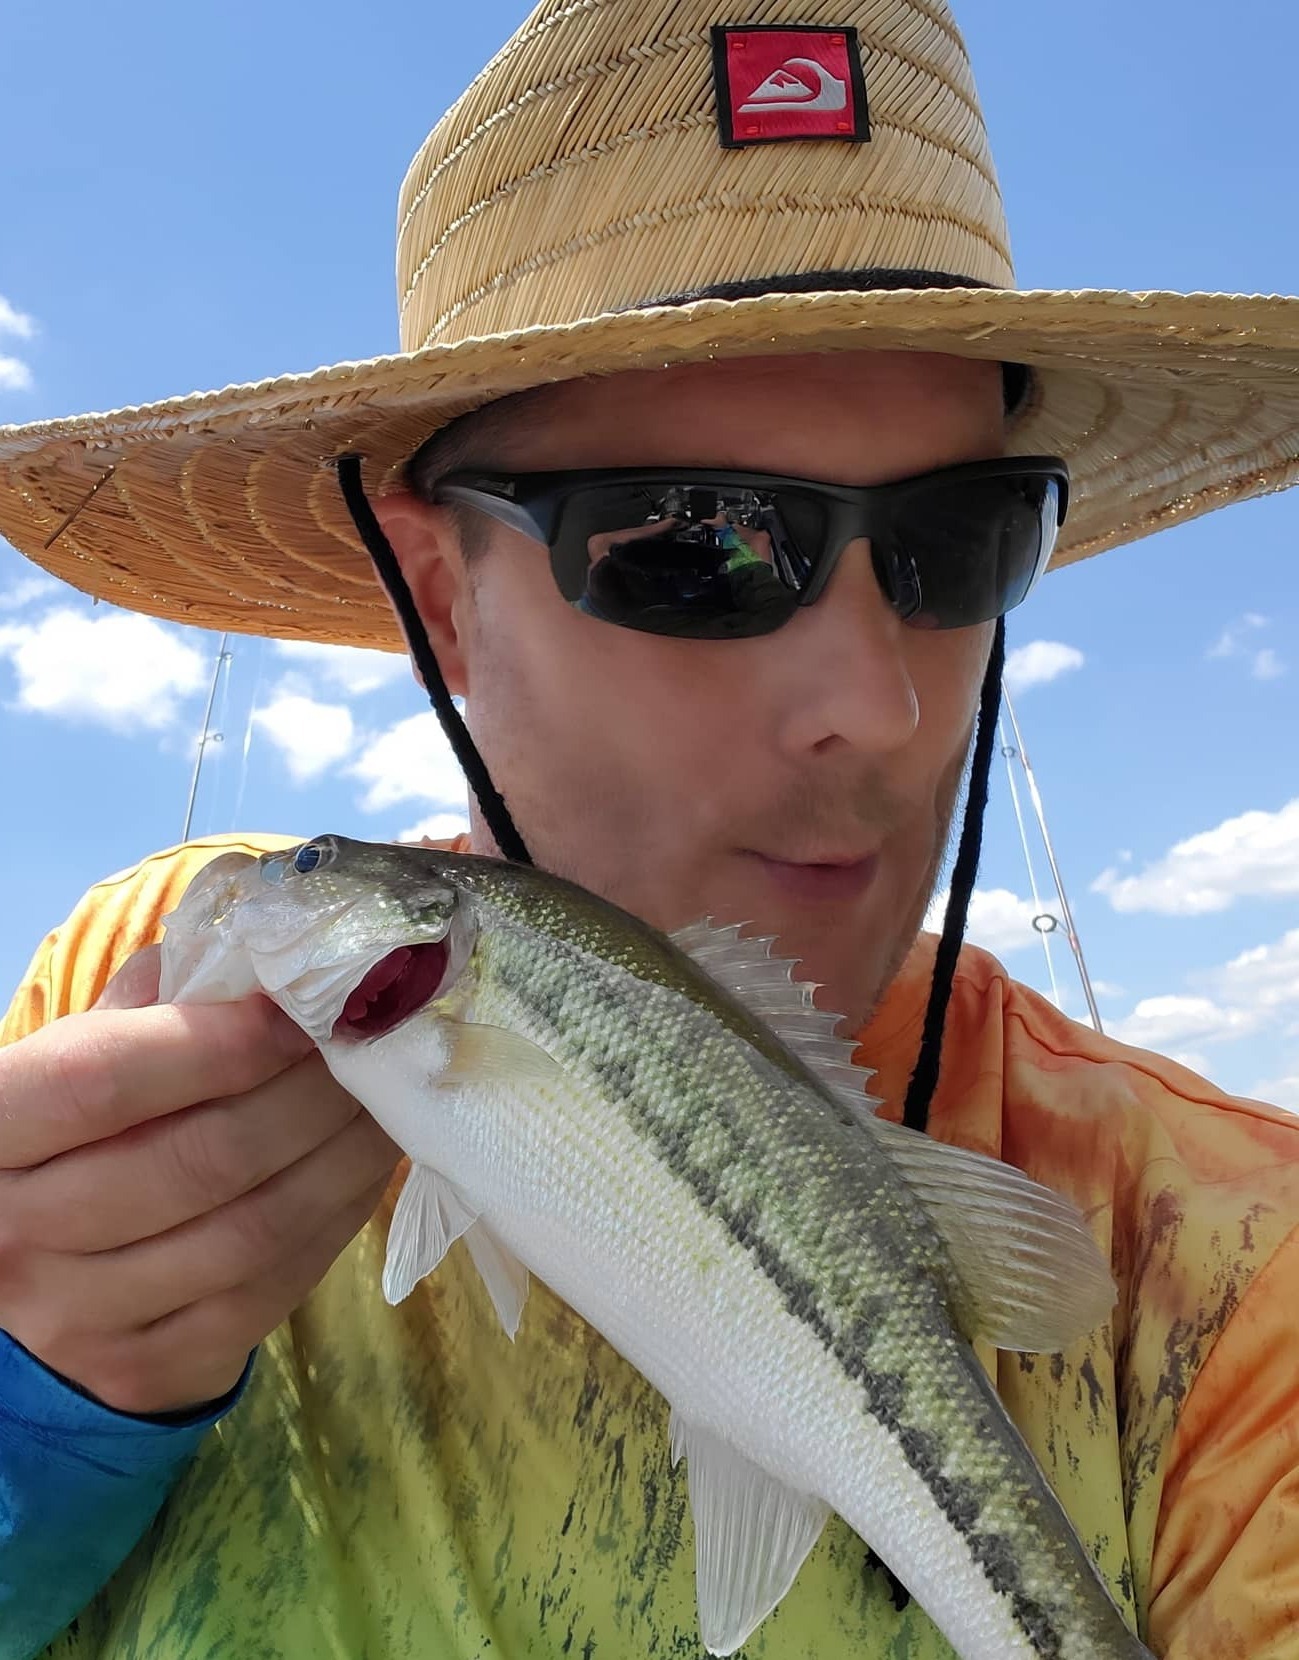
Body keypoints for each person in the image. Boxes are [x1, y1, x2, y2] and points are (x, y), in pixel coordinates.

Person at [1, 1, 1297, 1656]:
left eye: (961, 542)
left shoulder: (1251, 1253)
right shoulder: (139, 1006)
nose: (878, 706)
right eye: (698, 544)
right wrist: (42, 1429)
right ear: (439, 598)